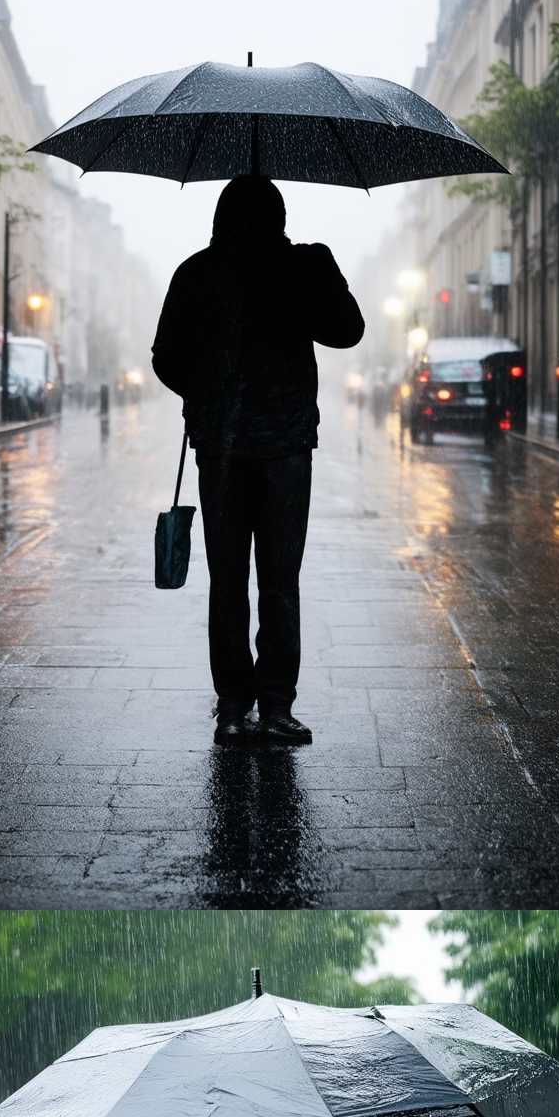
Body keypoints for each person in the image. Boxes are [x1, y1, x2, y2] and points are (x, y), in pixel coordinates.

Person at [151, 175, 364, 750]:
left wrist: (205, 392)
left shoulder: (197, 271)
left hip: (222, 445)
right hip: (287, 447)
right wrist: (310, 278)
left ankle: (232, 707)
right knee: (279, 580)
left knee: (229, 581)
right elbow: (349, 330)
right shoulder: (303, 265)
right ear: (281, 215)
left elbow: (165, 357)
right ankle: (276, 706)